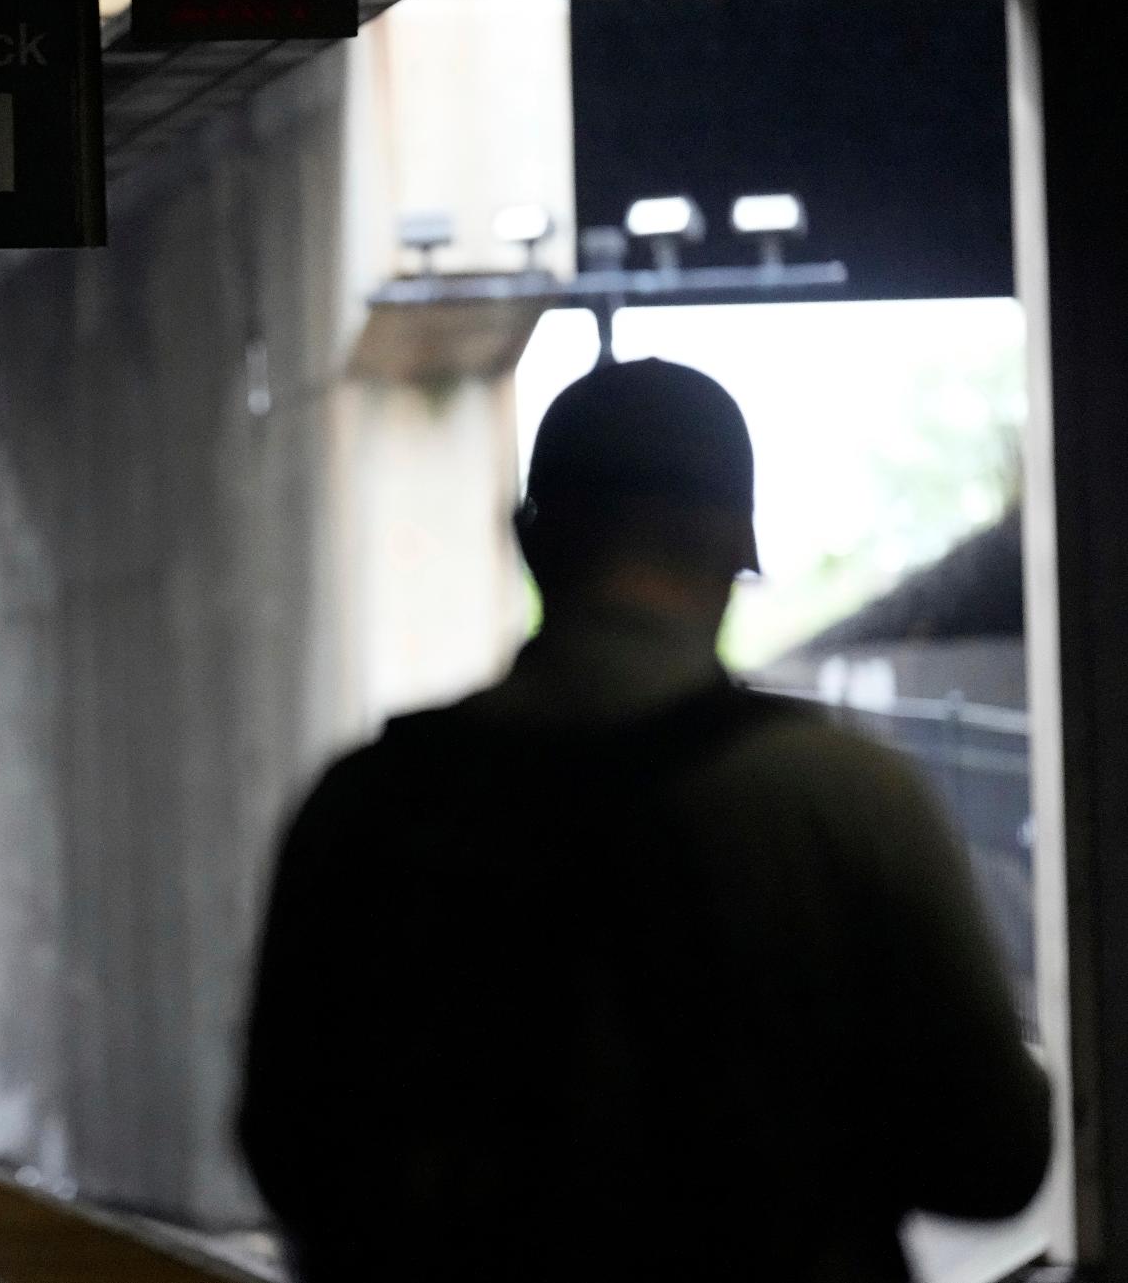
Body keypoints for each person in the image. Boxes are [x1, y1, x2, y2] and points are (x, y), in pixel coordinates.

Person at [238, 358, 1051, 1282]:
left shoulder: (362, 806)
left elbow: (285, 1152)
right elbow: (997, 1157)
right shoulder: (845, 800)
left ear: (529, 541)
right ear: (734, 548)